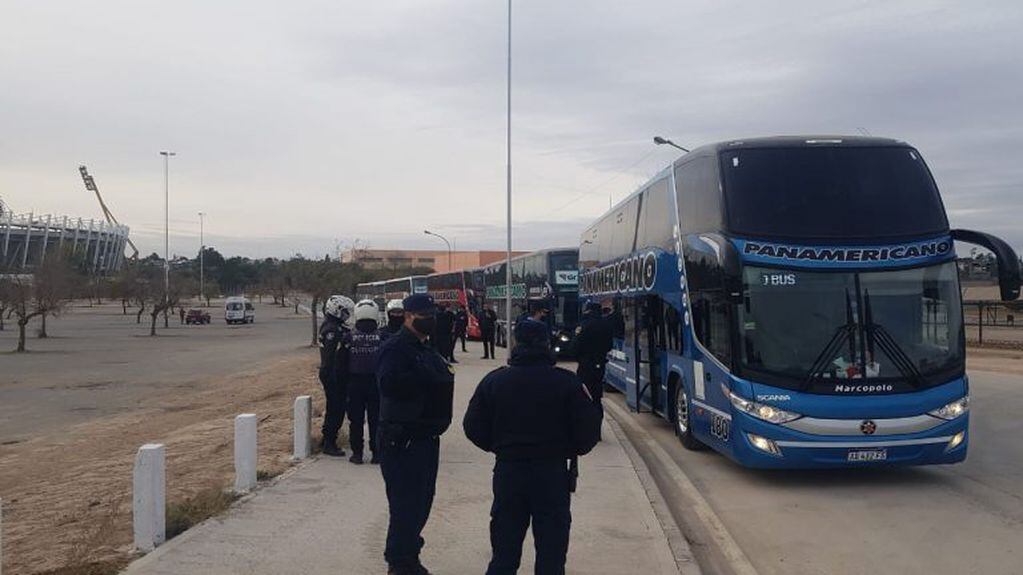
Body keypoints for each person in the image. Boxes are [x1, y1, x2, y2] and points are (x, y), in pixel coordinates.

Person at [463, 319, 601, 575]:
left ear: (515, 343)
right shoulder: (567, 383)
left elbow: (472, 427)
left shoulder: (494, 381)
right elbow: (589, 431)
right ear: (547, 344)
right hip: (552, 473)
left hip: (509, 470)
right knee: (551, 553)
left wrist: (499, 447)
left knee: (504, 551)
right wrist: (569, 449)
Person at [376, 293, 456, 575]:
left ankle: (409, 554)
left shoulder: (426, 348)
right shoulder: (395, 348)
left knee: (421, 503)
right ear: (408, 315)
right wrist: (425, 377)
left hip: (425, 437)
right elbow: (389, 385)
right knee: (405, 505)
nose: (430, 318)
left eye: (432, 313)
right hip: (403, 440)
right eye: (424, 314)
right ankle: (399, 563)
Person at [345, 299, 383, 465]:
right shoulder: (383, 337)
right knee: (376, 420)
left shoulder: (348, 337)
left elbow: (341, 363)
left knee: (356, 421)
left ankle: (357, 454)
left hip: (354, 383)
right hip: (376, 383)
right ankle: (377, 453)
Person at [318, 295, 355, 456]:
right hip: (333, 373)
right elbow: (331, 357)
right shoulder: (332, 330)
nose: (347, 315)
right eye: (345, 312)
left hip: (333, 373)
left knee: (335, 407)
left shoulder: (333, 326)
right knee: (336, 408)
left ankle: (327, 439)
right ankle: (329, 442)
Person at [575, 302, 614, 424]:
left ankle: (587, 425)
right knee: (597, 397)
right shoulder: (606, 325)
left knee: (585, 395)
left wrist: (579, 357)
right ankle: (597, 426)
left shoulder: (584, 325)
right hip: (600, 364)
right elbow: (609, 345)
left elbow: (575, 347)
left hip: (585, 365)